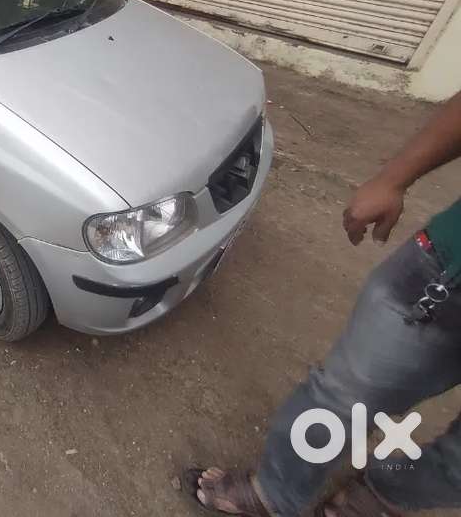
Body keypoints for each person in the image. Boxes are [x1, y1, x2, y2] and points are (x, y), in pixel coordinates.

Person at [188, 90, 461, 516]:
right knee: (344, 396)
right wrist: (393, 178)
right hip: (447, 272)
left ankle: (379, 496)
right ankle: (275, 493)